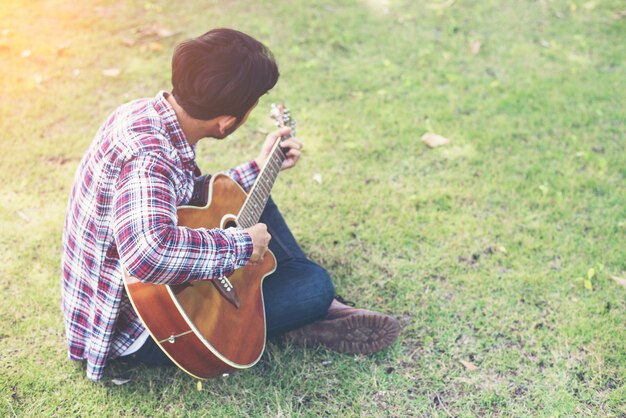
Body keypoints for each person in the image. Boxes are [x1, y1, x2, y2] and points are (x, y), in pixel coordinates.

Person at [61, 28, 400, 382]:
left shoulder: (143, 115)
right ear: (226, 122)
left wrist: (259, 167)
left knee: (247, 195)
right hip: (145, 323)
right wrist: (243, 245)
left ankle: (298, 311)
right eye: (251, 106)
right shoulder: (150, 157)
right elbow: (147, 254)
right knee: (313, 286)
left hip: (147, 292)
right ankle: (318, 310)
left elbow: (183, 199)